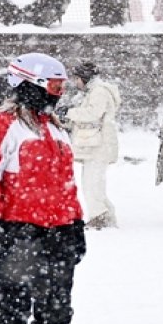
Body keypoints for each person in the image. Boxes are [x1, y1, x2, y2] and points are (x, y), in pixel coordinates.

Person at [0, 52, 86, 324]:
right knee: (13, 303)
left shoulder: (56, 128)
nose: (59, 93)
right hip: (19, 231)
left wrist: (76, 224)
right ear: (31, 84)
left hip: (59, 231)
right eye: (54, 86)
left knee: (56, 306)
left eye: (62, 87)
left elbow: (66, 183)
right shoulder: (2, 125)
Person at [60, 62, 122, 229]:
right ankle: (105, 216)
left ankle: (100, 217)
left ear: (85, 78)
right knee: (94, 183)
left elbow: (93, 114)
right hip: (94, 144)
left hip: (99, 145)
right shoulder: (93, 92)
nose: (75, 82)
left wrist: (69, 113)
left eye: (77, 79)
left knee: (92, 183)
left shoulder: (99, 92)